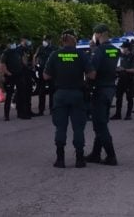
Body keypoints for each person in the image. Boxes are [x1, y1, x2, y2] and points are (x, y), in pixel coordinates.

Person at [43, 29, 95, 168]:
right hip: (77, 95)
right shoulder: (81, 55)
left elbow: (46, 76)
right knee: (78, 128)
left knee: (60, 127)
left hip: (60, 94)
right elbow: (92, 75)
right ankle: (79, 159)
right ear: (73, 39)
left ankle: (60, 159)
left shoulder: (55, 55)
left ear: (63, 40)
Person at [85, 24, 121, 166]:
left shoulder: (99, 51)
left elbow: (92, 73)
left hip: (99, 89)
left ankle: (111, 156)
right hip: (110, 89)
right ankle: (95, 153)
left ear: (98, 35)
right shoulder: (114, 50)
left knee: (99, 125)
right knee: (102, 122)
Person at [112, 41, 134, 120]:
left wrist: (125, 70)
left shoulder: (132, 57)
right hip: (120, 80)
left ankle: (128, 115)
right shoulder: (121, 56)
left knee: (129, 98)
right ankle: (118, 114)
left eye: (123, 48)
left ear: (127, 48)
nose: (122, 49)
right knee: (119, 97)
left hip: (129, 80)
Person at [0, 41, 23, 120]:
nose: (13, 44)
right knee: (9, 95)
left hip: (18, 75)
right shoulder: (6, 53)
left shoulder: (17, 51)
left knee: (19, 94)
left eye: (13, 43)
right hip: (10, 76)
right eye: (11, 43)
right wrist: (6, 73)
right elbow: (2, 64)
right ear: (8, 44)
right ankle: (6, 115)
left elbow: (21, 61)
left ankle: (20, 112)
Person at [34, 35, 57, 115]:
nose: (45, 41)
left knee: (52, 91)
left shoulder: (54, 48)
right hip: (42, 70)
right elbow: (35, 57)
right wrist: (36, 66)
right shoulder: (40, 48)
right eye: (44, 40)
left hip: (51, 72)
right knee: (41, 91)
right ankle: (41, 110)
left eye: (46, 40)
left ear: (50, 40)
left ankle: (52, 109)